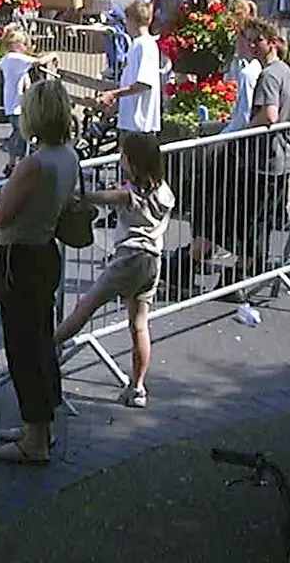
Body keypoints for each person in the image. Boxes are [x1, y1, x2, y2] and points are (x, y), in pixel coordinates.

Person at [0, 79, 80, 465]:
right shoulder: (68, 155)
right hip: (45, 252)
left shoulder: (34, 164)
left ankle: (35, 437)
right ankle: (38, 424)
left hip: (21, 256)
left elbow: (2, 217)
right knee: (41, 340)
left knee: (24, 347)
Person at [54, 133, 174, 408]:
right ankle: (138, 386)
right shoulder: (165, 191)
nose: (120, 159)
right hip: (153, 260)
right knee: (139, 325)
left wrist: (72, 190)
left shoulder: (129, 194)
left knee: (86, 304)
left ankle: (50, 344)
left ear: (133, 162)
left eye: (123, 156)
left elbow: (96, 197)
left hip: (129, 257)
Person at [242, 16, 290, 290]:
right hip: (283, 156)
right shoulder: (285, 71)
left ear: (271, 43)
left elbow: (268, 114)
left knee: (255, 219)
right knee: (265, 217)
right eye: (250, 41)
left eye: (257, 40)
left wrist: (249, 127)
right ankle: (253, 269)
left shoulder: (269, 75)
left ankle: (247, 273)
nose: (253, 46)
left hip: (266, 160)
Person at [0, 26, 58, 173]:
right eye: (23, 43)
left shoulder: (7, 58)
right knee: (22, 134)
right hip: (17, 105)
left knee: (18, 133)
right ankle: (18, 165)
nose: (25, 46)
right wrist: (53, 55)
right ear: (15, 44)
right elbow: (39, 61)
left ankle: (13, 163)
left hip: (12, 103)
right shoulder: (17, 58)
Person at [97, 0, 162, 141]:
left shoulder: (144, 45)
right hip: (131, 123)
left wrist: (113, 94)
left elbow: (144, 83)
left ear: (131, 20)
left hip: (139, 125)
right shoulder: (137, 44)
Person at [219, 19, 265, 135]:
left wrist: (219, 140)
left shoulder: (249, 72)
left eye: (237, 37)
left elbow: (243, 117)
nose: (234, 42)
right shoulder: (241, 64)